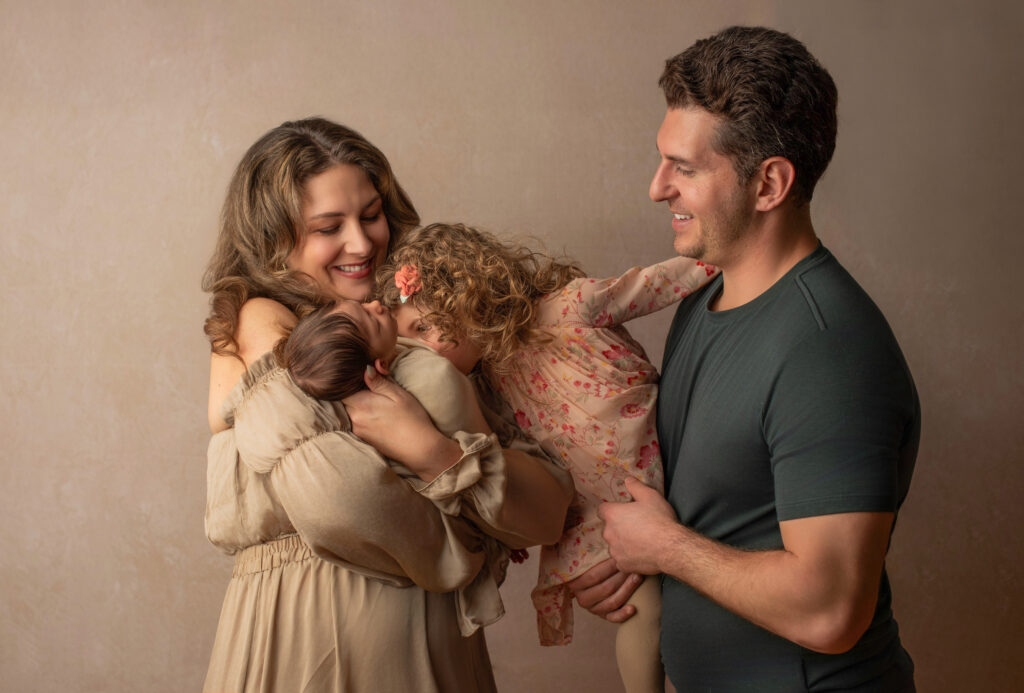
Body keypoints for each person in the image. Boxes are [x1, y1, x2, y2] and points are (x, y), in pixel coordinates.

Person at [571, 26, 920, 692]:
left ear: (769, 184)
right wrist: (624, 558)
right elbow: (710, 511)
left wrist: (665, 548)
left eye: (685, 167)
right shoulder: (703, 299)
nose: (656, 188)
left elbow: (830, 611)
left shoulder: (828, 349)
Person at [201, 118, 574, 693]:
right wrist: (472, 539)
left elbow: (547, 512)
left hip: (433, 645)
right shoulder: (263, 326)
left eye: (371, 215)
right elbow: (341, 501)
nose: (363, 243)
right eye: (329, 227)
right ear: (275, 242)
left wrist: (437, 454)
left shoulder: (427, 331)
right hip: (312, 639)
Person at [376, 222, 717, 692]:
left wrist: (722, 258)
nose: (426, 349)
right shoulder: (483, 384)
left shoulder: (565, 308)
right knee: (642, 607)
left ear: (469, 293)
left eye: (427, 327)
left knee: (680, 596)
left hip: (648, 458)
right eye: (412, 342)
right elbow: (508, 464)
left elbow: (648, 286)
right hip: (596, 502)